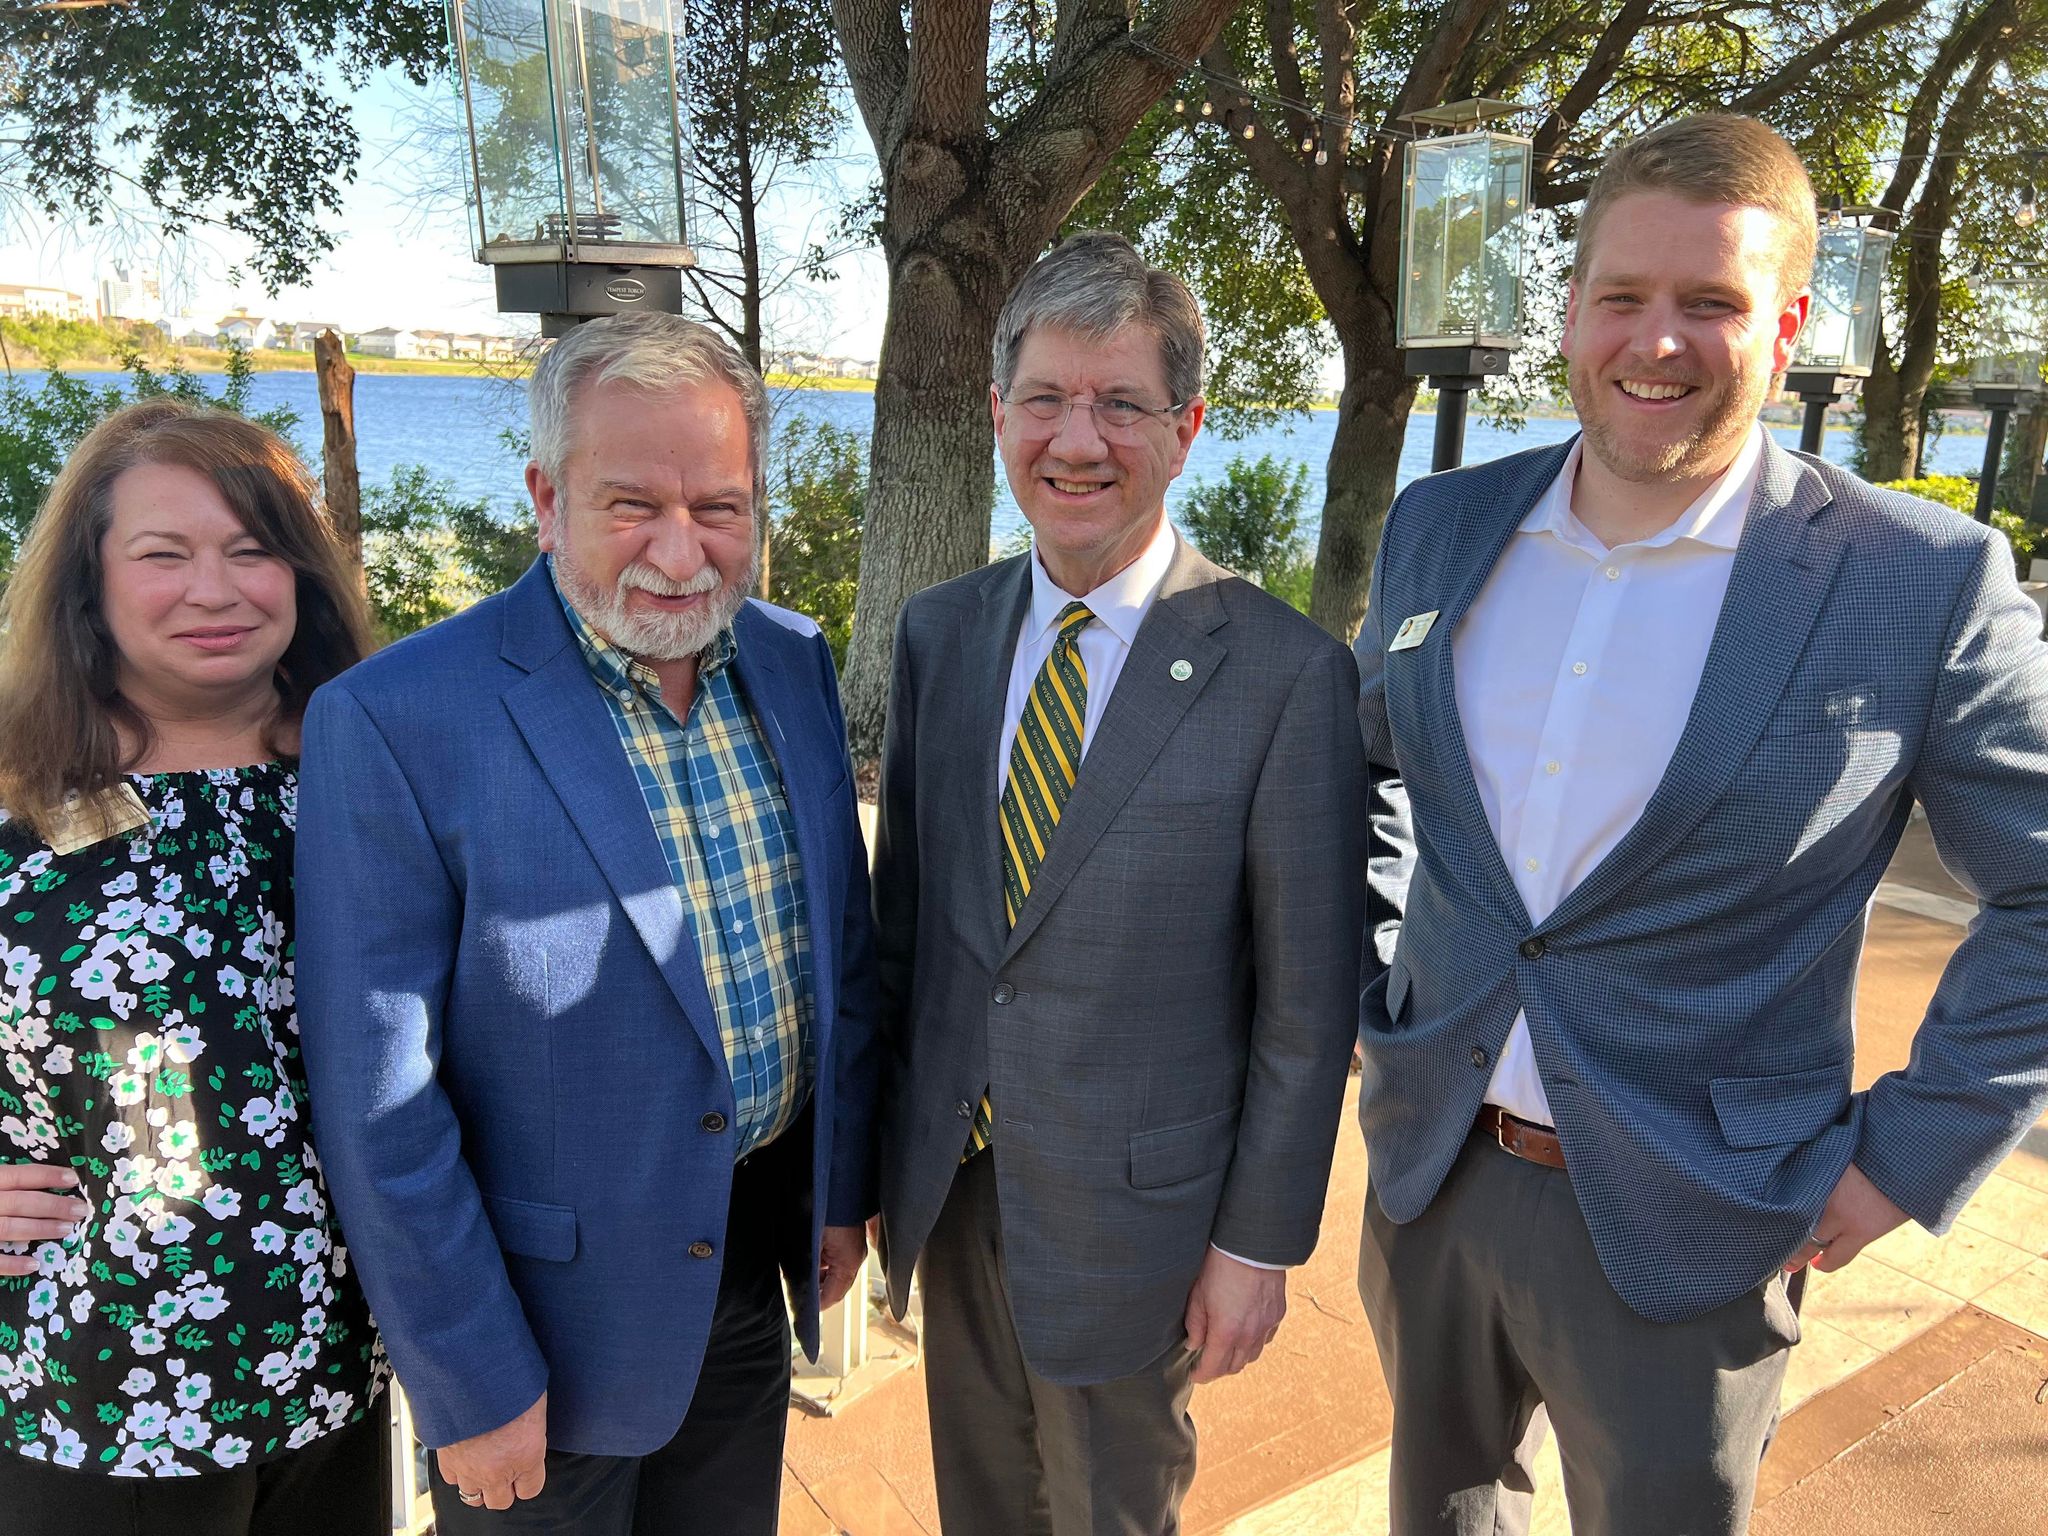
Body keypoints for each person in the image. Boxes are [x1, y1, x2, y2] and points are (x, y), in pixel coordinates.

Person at [1354, 112, 2048, 1535]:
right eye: (1623, 297)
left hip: (1701, 1211)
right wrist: (1385, 995)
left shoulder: (1920, 580)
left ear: (1786, 322)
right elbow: (1373, 767)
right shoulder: (1443, 523)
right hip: (1431, 1170)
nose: (1655, 343)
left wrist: (1905, 1155)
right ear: (1571, 309)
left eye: (1711, 304)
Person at [294, 311, 879, 1535]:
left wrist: (835, 1189)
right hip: (540, 1352)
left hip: (743, 1287)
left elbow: (840, 955)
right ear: (545, 496)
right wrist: (469, 1380)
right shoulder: (400, 720)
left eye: (719, 507)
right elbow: (379, 1103)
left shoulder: (789, 661)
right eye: (632, 505)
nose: (681, 552)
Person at [871, 231, 1369, 1536]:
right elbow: (910, 930)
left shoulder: (1285, 676)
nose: (1076, 439)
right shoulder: (944, 633)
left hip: (1140, 1227)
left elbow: (1308, 1009)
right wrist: (866, 1176)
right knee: (982, 1506)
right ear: (997, 413)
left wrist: (1259, 1246)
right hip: (957, 1185)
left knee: (1109, 1515)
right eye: (1044, 398)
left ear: (1187, 425)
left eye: (1121, 403)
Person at [0, 400, 384, 1533]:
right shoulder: (16, 794)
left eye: (252, 550)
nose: (214, 592)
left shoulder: (381, 773)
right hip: (92, 1390)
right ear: (90, 583)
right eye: (163, 554)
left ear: (302, 575)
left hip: (341, 1369)